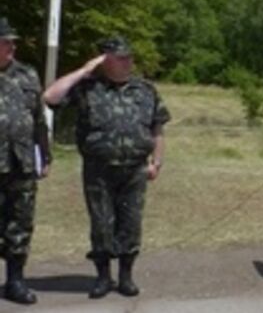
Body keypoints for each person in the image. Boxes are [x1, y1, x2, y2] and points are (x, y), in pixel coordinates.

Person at [44, 36, 169, 299]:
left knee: (131, 225)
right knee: (101, 225)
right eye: (121, 58)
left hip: (135, 170)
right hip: (98, 171)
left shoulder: (145, 89)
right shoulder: (88, 88)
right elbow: (50, 97)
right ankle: (103, 277)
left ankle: (126, 277)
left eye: (129, 57)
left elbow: (157, 127)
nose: (129, 62)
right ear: (105, 61)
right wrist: (84, 70)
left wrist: (156, 162)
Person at [0, 18, 52, 305]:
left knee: (19, 224)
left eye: (12, 42)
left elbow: (39, 121)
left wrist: (44, 155)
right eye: (6, 41)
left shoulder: (28, 74)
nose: (12, 46)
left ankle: (15, 282)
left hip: (21, 164)